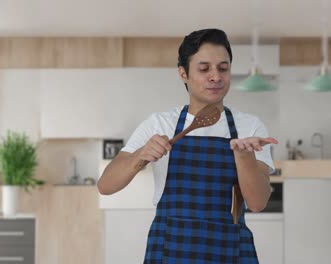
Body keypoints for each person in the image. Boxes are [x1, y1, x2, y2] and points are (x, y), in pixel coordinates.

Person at [97, 28, 278, 264]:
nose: (216, 76)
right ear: (183, 73)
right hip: (170, 246)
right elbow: (106, 185)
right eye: (204, 69)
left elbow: (257, 202)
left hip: (229, 247)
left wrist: (244, 157)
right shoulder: (160, 123)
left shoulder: (250, 127)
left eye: (223, 68)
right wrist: (140, 156)